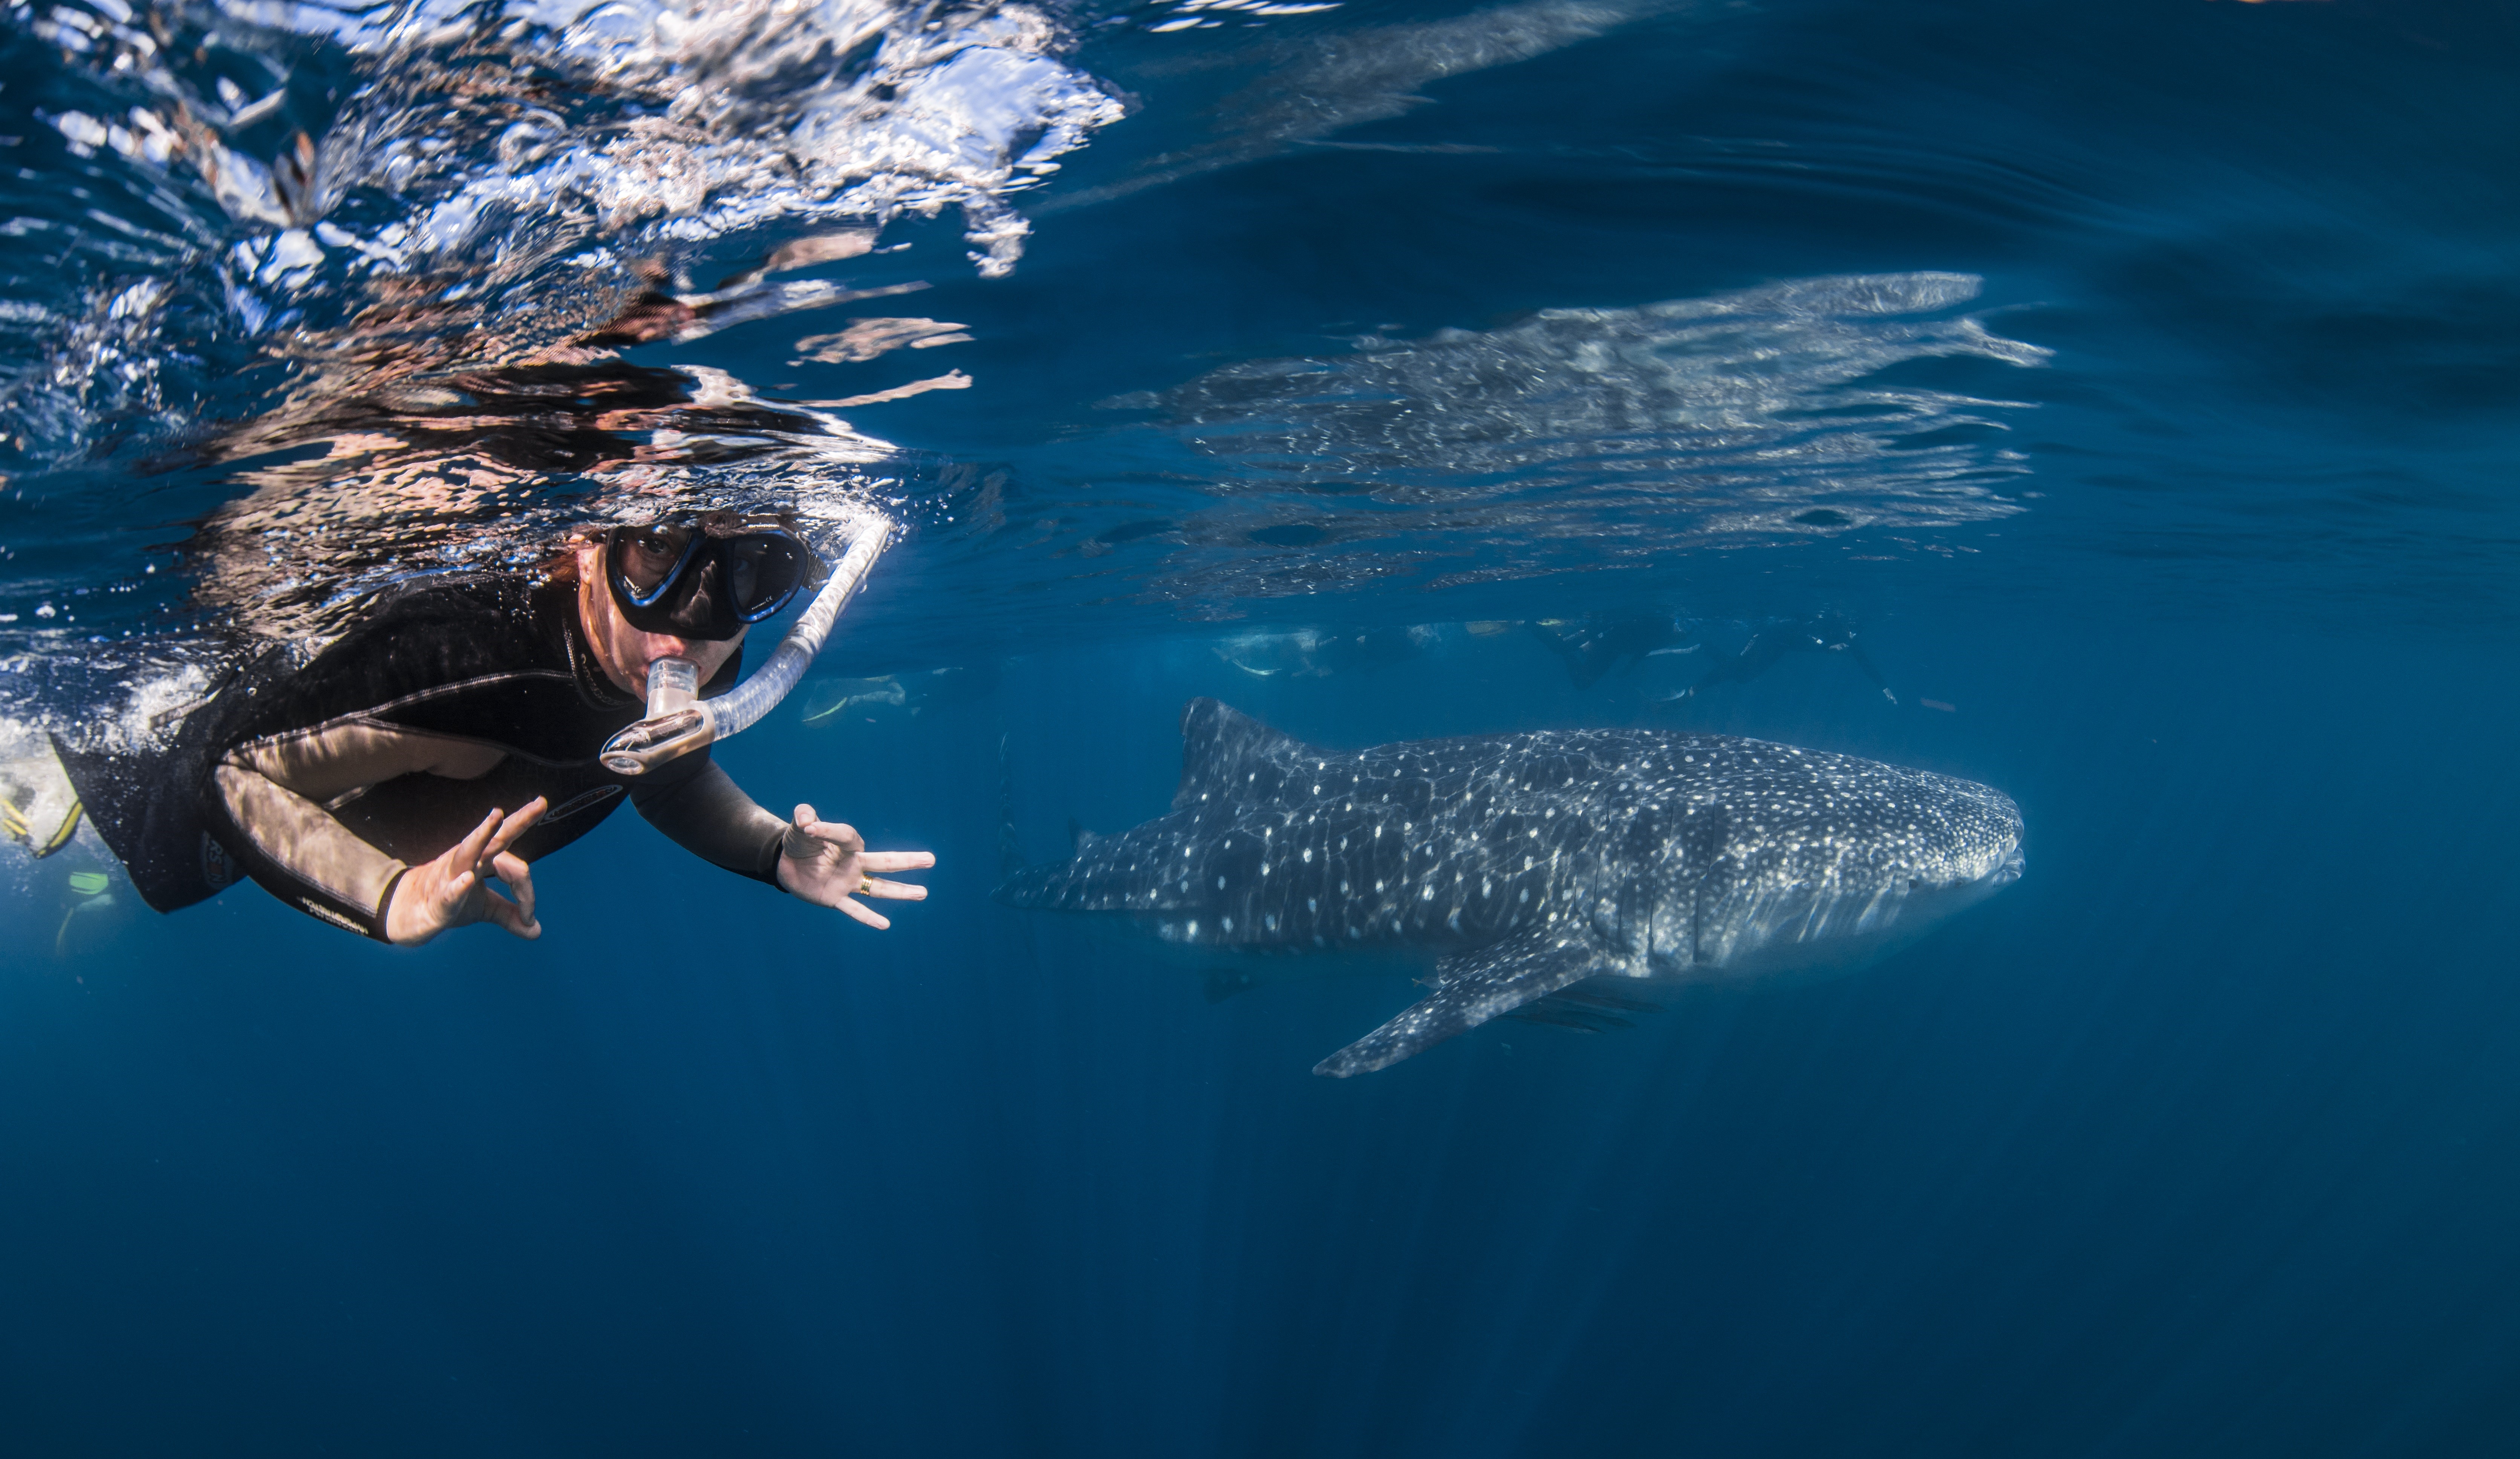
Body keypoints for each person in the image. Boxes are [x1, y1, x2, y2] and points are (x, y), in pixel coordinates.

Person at [9, 511, 932, 944]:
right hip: (248, 758)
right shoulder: (467, 662)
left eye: (751, 577)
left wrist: (772, 850)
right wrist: (393, 899)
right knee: (166, 863)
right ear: (590, 552)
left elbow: (663, 773)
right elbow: (235, 776)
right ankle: (43, 759)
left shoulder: (699, 648)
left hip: (375, 788)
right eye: (655, 551)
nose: (682, 634)